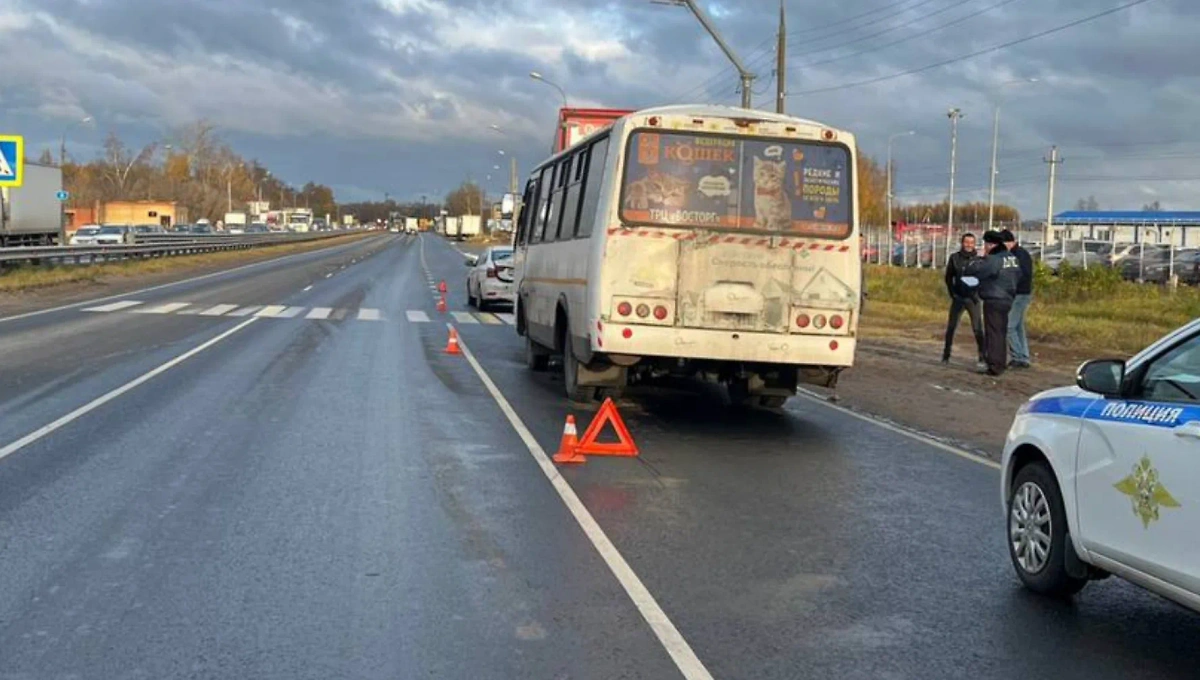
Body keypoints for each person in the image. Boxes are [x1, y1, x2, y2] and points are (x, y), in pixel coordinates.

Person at [967, 230, 1021, 376]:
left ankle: (995, 365)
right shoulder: (1012, 258)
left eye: (985, 245)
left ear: (990, 244)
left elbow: (977, 272)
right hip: (1008, 298)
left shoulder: (994, 259)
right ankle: (1000, 362)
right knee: (1001, 332)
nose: (984, 248)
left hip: (994, 298)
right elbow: (1018, 276)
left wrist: (977, 259)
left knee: (993, 333)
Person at [942, 232, 986, 367]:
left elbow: (984, 278)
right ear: (962, 243)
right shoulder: (954, 258)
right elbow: (949, 277)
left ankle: (982, 357)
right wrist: (952, 293)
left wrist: (979, 294)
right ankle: (946, 355)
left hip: (974, 299)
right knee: (951, 327)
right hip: (959, 298)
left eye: (972, 243)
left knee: (978, 328)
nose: (969, 245)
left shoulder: (979, 259)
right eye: (967, 242)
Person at [1002, 230, 1034, 368]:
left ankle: (1017, 356)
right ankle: (1024, 357)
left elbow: (1024, 274)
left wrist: (1011, 284)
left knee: (1009, 326)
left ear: (1010, 242)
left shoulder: (1020, 254)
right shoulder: (1015, 254)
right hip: (1018, 294)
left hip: (1020, 294)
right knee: (1018, 327)